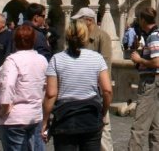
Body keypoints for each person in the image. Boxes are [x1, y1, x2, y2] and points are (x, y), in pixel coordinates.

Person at [42, 20, 112, 151]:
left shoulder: (56, 59)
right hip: (91, 116)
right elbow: (107, 90)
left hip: (64, 118)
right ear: (86, 37)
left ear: (67, 36)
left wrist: (45, 121)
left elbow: (51, 94)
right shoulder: (97, 58)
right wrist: (103, 112)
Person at [0, 24, 47, 151]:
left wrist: (4, 108)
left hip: (15, 117)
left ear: (15, 41)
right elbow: (45, 86)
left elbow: (8, 84)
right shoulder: (42, 60)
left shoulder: (12, 60)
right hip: (35, 114)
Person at [71, 8, 113, 151]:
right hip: (82, 91)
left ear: (89, 20)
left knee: (103, 131)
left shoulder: (102, 37)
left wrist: (103, 89)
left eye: (79, 21)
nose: (76, 24)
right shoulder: (80, 37)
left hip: (98, 91)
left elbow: (106, 65)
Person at [128, 7, 159, 151]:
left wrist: (139, 59)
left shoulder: (154, 37)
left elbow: (157, 62)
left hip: (150, 82)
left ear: (143, 20)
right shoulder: (158, 34)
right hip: (154, 81)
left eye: (139, 19)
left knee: (139, 125)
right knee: (155, 126)